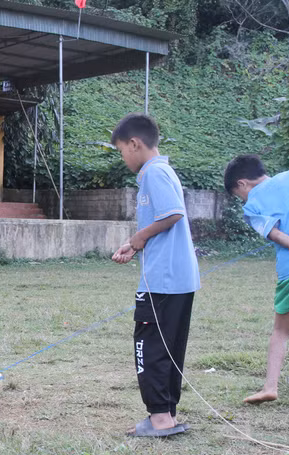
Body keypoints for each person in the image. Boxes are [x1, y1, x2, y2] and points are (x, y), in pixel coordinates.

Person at [111, 113, 200, 436]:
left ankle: (160, 418)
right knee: (169, 346)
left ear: (135, 144)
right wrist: (135, 245)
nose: (123, 158)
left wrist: (139, 238)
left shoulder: (154, 173)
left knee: (149, 346)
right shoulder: (163, 172)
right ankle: (168, 415)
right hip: (177, 277)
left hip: (163, 280)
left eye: (122, 150)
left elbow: (172, 213)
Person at [223, 154, 289, 405]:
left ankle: (270, 387)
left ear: (242, 184)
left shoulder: (251, 205)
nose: (241, 199)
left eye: (237, 194)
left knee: (281, 331)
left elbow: (277, 236)